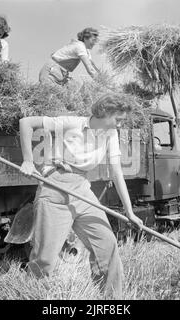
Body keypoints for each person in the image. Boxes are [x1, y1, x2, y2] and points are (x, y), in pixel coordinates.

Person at [19, 93, 143, 298]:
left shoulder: (111, 135)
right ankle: (32, 295)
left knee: (107, 246)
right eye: (118, 120)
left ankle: (113, 302)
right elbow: (26, 122)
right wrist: (28, 160)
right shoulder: (71, 123)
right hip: (55, 186)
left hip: (83, 189)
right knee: (45, 259)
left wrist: (129, 211)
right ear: (105, 112)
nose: (120, 125)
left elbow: (117, 172)